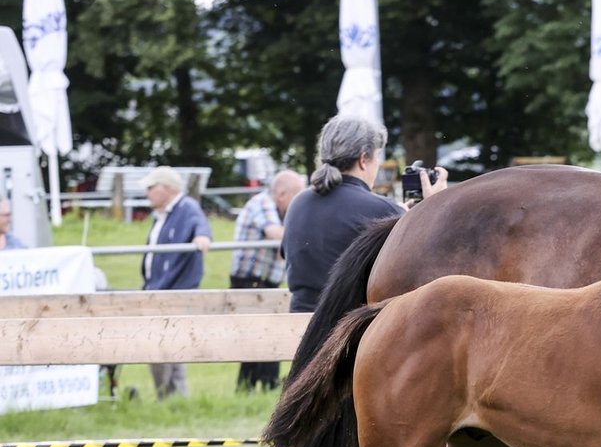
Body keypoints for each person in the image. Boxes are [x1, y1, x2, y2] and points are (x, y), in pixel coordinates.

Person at [278, 114, 445, 447]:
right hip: (359, 344)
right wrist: (430, 212)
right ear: (367, 159)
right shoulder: (377, 208)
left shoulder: (300, 205)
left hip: (304, 338)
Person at [281, 114, 447, 312]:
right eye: (377, 156)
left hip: (298, 321)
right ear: (363, 160)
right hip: (349, 331)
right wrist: (434, 207)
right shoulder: (382, 210)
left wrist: (401, 214)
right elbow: (427, 265)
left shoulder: (298, 202)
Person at [229, 170, 306, 392]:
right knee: (255, 337)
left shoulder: (279, 210)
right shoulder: (262, 204)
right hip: (249, 283)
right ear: (282, 194)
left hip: (264, 283)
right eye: (297, 195)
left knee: (267, 334)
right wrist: (303, 232)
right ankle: (251, 386)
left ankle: (259, 386)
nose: (298, 202)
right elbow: (274, 233)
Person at [141, 165, 212, 400]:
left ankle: (172, 396)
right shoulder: (162, 215)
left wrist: (202, 237)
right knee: (161, 345)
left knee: (170, 345)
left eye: (151, 187)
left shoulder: (187, 207)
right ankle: (169, 397)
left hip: (174, 291)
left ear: (167, 188)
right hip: (157, 290)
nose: (147, 193)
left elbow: (200, 225)